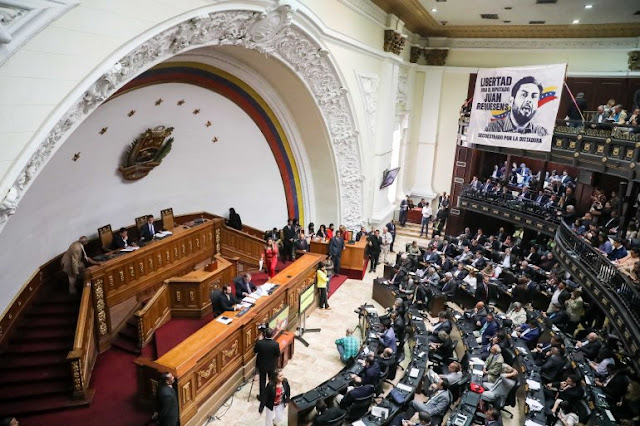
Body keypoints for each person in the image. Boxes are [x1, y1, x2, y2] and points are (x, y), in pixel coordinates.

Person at [254, 328, 280, 402]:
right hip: (271, 366)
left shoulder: (260, 343)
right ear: (272, 335)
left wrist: (259, 340)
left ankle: (262, 397)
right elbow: (278, 354)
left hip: (262, 365)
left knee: (262, 381)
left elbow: (255, 351)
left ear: (264, 334)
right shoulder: (275, 344)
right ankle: (271, 395)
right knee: (272, 381)